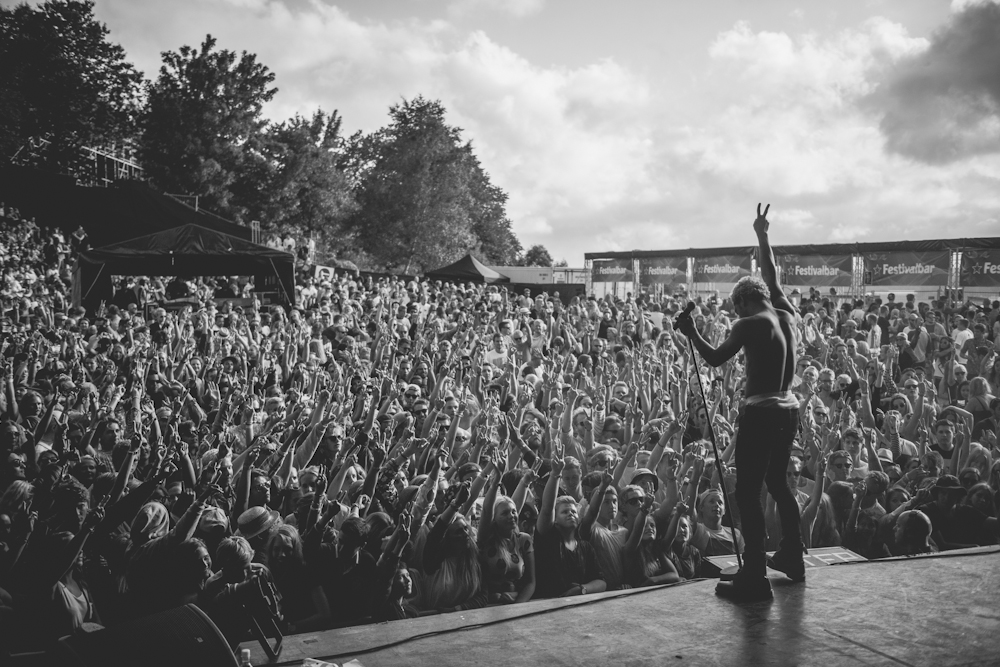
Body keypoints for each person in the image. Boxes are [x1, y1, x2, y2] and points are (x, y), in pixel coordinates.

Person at [677, 203, 803, 602]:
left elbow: (714, 359)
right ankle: (792, 557)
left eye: (735, 307)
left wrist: (691, 331)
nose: (735, 313)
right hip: (789, 408)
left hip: (761, 412)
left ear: (744, 302)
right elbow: (771, 275)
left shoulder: (748, 323)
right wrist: (762, 235)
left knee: (747, 492)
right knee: (779, 484)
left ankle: (754, 574)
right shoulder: (786, 312)